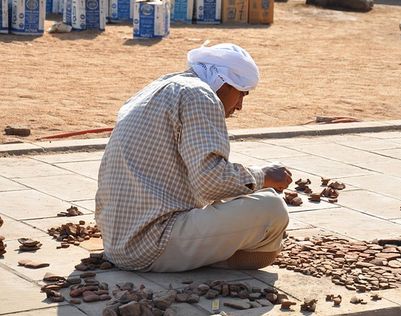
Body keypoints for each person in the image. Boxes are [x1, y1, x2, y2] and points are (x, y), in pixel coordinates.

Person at [95, 43, 292, 273]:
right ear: (223, 82)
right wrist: (263, 175)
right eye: (241, 94)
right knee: (272, 208)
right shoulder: (200, 95)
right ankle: (219, 259)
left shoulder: (164, 85)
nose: (239, 106)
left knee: (246, 192)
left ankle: (208, 253)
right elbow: (211, 182)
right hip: (150, 244)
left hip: (117, 239)